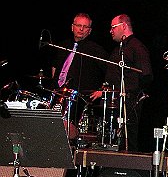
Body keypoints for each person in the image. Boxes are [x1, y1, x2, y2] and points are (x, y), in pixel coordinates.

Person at [89, 14, 153, 152]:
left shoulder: (136, 47)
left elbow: (146, 75)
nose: (110, 31)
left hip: (128, 104)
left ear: (123, 26)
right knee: (114, 142)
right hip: (114, 103)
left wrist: (129, 94)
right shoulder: (119, 48)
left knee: (127, 143)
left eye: (113, 27)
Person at [50, 12, 108, 131]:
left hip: (79, 100)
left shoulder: (96, 50)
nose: (81, 29)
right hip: (58, 94)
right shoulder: (63, 45)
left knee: (69, 131)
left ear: (89, 31)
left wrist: (102, 91)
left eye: (85, 27)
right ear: (72, 27)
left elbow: (110, 71)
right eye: (78, 25)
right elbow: (55, 67)